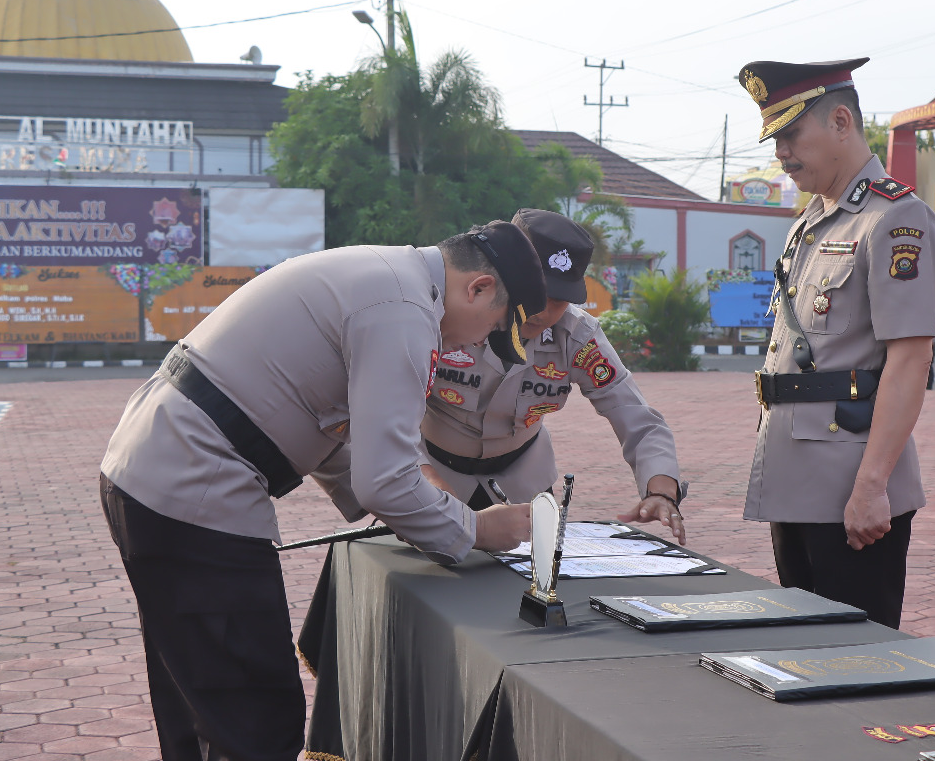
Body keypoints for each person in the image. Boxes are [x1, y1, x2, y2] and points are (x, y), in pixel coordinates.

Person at [99, 222, 548, 761]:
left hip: (158, 468)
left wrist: (415, 504)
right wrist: (474, 528)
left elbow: (327, 424)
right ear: (476, 287)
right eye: (493, 328)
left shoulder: (387, 274)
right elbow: (384, 479)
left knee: (201, 709)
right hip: (195, 487)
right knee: (253, 722)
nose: (479, 344)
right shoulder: (405, 310)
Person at [738, 57, 935, 628]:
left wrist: (873, 487)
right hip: (797, 476)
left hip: (852, 486)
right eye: (774, 137)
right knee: (805, 654)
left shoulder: (895, 219)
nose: (780, 151)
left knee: (859, 663)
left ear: (839, 123)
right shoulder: (811, 223)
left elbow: (910, 359)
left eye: (789, 133)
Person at [421, 209, 685, 541]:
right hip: (434, 474)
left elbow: (635, 415)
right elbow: (388, 412)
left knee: (532, 581)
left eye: (559, 300)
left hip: (523, 483)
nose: (543, 311)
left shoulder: (577, 335)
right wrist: (420, 480)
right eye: (537, 290)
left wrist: (660, 489)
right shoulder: (444, 314)